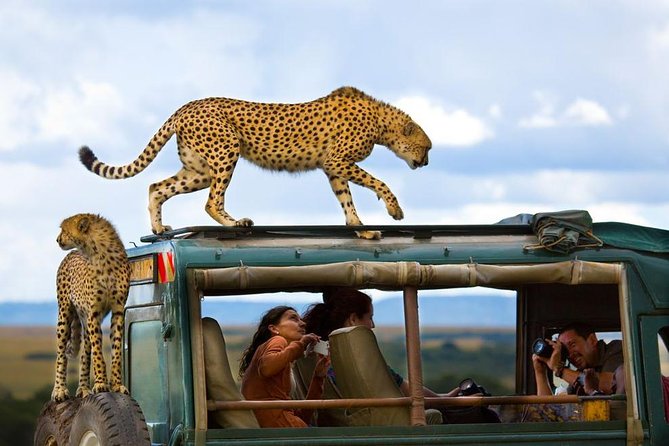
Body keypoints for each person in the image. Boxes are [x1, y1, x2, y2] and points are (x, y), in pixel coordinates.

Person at [302, 287, 501, 425]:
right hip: (386, 423)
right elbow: (409, 391)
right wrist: (453, 401)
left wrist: (445, 398)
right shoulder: (358, 358)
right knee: (486, 416)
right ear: (353, 318)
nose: (372, 325)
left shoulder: (319, 352)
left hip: (355, 421)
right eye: (370, 317)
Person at [239, 305, 329, 428]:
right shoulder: (277, 340)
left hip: (284, 426)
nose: (302, 323)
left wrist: (318, 377)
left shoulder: (284, 363)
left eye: (301, 319)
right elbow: (267, 368)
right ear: (274, 329)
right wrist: (301, 344)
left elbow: (301, 417)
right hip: (278, 429)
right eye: (293, 318)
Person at [533, 322, 624, 396]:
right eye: (565, 350)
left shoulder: (617, 350)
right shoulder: (581, 371)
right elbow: (546, 410)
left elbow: (612, 384)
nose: (570, 354)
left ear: (592, 340)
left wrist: (559, 370)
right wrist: (540, 373)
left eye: (572, 345)